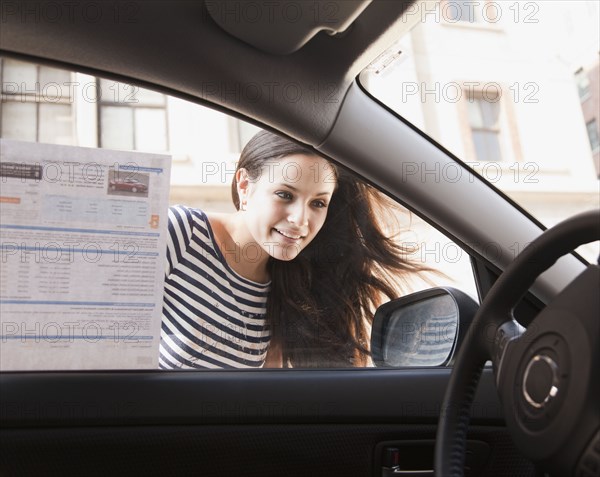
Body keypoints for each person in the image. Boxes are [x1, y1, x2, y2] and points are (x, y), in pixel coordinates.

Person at [159, 130, 428, 369]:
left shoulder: (288, 286)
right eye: (285, 195)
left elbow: (262, 394)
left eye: (318, 203)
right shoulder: (181, 233)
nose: (300, 220)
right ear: (244, 186)